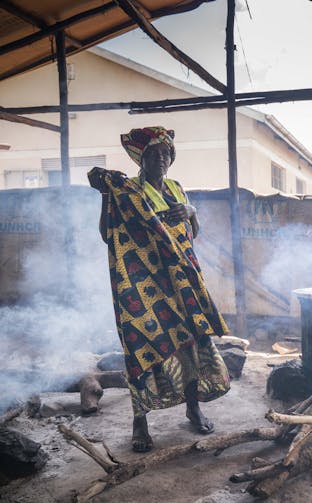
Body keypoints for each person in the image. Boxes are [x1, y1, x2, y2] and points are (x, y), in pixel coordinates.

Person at [88, 126, 230, 452]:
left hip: (180, 283)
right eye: (154, 153)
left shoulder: (177, 190)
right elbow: (108, 236)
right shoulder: (127, 192)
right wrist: (106, 196)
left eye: (166, 153)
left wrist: (193, 213)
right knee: (142, 348)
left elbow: (193, 233)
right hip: (143, 287)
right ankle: (140, 421)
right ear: (142, 158)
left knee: (190, 343)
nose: (162, 158)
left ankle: (193, 406)